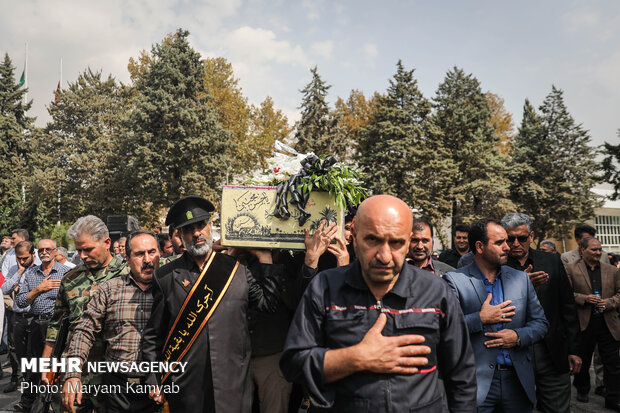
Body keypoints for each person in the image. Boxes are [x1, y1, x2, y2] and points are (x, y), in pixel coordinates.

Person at [280, 195, 477, 412]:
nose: (384, 256)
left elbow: (461, 377)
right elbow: (293, 364)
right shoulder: (325, 288)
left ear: (409, 240)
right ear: (353, 236)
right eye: (373, 240)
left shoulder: (435, 291)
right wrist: (354, 358)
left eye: (396, 243)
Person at [141, 195, 283, 413]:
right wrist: (153, 379)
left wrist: (266, 259)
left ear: (210, 226)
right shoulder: (166, 277)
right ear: (179, 234)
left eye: (201, 225)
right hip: (187, 387)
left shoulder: (238, 269)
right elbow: (153, 337)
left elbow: (269, 305)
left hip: (234, 385)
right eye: (189, 229)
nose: (197, 233)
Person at [444, 219, 548, 412]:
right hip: (475, 385)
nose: (508, 247)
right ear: (480, 246)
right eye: (499, 242)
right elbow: (446, 330)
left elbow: (541, 323)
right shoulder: (454, 281)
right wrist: (480, 319)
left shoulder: (521, 279)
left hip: (517, 383)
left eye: (506, 241)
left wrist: (517, 337)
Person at [63, 231, 161, 413]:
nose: (147, 259)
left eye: (152, 252)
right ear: (128, 259)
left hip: (159, 386)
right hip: (117, 388)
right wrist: (73, 374)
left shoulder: (171, 287)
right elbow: (84, 329)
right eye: (139, 254)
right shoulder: (110, 289)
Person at [42, 215, 126, 413]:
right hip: (75, 371)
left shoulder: (127, 276)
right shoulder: (70, 278)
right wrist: (46, 365)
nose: (83, 255)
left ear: (107, 243)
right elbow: (56, 324)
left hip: (112, 372)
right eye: (79, 250)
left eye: (88, 249)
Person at [501, 213, 581, 413]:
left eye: (522, 238)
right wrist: (520, 284)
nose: (516, 243)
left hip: (552, 350)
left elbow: (567, 307)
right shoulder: (496, 265)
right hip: (513, 352)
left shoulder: (552, 261)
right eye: (510, 239)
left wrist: (574, 349)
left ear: (532, 236)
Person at [14, 239, 69, 412]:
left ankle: (56, 402)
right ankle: (28, 402)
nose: (44, 252)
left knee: (58, 364)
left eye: (48, 249)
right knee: (34, 364)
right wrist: (39, 289)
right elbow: (21, 301)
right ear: (37, 253)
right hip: (38, 323)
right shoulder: (31, 273)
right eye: (41, 250)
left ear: (55, 252)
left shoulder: (66, 272)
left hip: (59, 324)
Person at [566, 237, 620, 411]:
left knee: (612, 364)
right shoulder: (571, 269)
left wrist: (609, 302)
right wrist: (584, 298)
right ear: (582, 250)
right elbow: (566, 295)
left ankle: (613, 398)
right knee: (583, 360)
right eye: (594, 250)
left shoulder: (612, 270)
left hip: (608, 324)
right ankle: (582, 389)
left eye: (600, 249)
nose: (598, 253)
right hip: (583, 323)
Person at [0, 241, 36, 394]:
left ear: (32, 255)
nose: (22, 261)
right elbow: (5, 288)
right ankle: (17, 379)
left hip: (34, 316)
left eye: (25, 258)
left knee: (33, 352)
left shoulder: (39, 269)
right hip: (17, 316)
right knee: (15, 351)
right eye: (18, 258)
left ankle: (32, 384)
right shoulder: (15, 269)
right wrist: (19, 272)